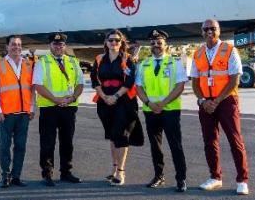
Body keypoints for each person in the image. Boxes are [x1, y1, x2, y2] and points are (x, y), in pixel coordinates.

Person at [191, 19, 250, 196]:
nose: (209, 31)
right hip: (205, 102)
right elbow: (195, 81)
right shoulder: (198, 53)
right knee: (209, 141)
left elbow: (234, 79)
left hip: (226, 100)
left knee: (235, 140)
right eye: (206, 29)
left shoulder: (230, 50)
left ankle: (242, 180)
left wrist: (216, 100)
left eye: (213, 29)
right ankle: (215, 177)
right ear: (202, 32)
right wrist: (202, 100)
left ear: (219, 30)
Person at [90, 29, 144, 186]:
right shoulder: (99, 59)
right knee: (112, 135)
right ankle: (114, 169)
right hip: (104, 100)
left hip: (123, 101)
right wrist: (104, 96)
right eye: (111, 40)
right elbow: (94, 79)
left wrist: (115, 96)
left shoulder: (127, 59)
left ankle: (121, 171)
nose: (114, 43)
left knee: (121, 135)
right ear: (106, 42)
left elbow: (129, 81)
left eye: (117, 40)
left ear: (122, 43)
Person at [136, 29, 187, 192]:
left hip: (170, 110)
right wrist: (149, 103)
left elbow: (180, 86)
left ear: (165, 44)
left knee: (175, 145)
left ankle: (181, 179)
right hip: (150, 110)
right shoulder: (144, 64)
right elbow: (138, 87)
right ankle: (159, 176)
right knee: (155, 146)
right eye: (153, 42)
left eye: (159, 42)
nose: (156, 45)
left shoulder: (175, 62)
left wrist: (163, 103)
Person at [33, 32, 85, 186]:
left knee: (67, 142)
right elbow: (38, 85)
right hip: (49, 108)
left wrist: (73, 98)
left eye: (61, 44)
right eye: (55, 44)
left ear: (65, 46)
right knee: (48, 142)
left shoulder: (73, 62)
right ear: (50, 46)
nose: (58, 47)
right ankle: (47, 174)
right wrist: (56, 100)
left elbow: (80, 84)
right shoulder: (42, 62)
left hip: (69, 108)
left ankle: (66, 172)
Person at [0, 35, 36, 188]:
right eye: (13, 44)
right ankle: (5, 175)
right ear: (7, 47)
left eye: (19, 44)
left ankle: (16, 176)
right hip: (6, 113)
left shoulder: (28, 64)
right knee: (4, 146)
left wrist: (31, 108)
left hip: (23, 114)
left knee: (21, 146)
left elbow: (32, 89)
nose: (16, 47)